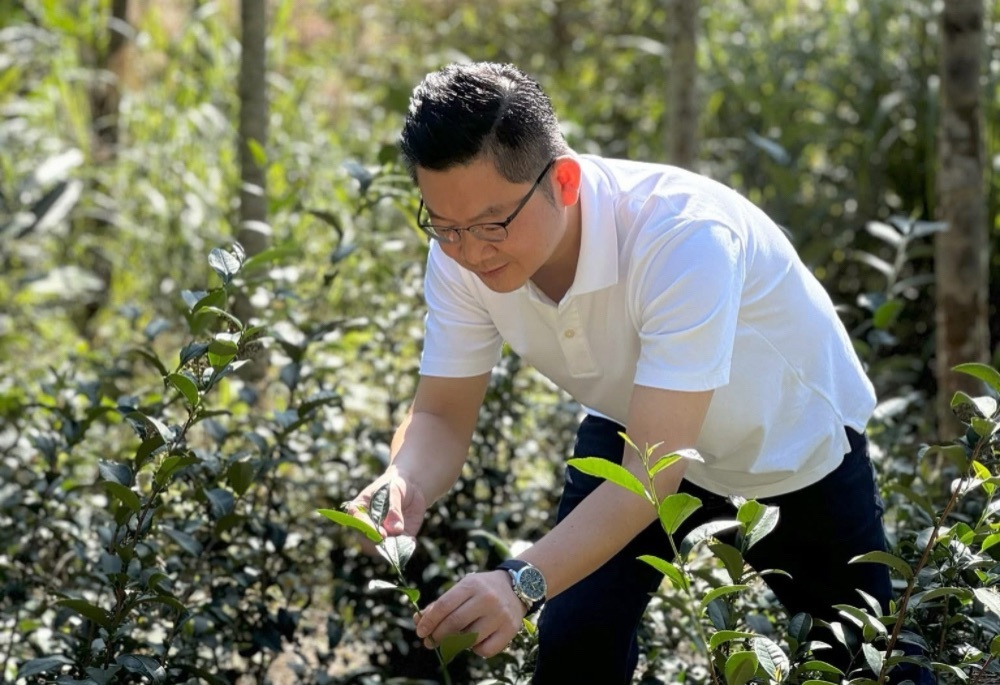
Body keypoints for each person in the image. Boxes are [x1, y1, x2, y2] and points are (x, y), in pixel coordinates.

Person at [347, 61, 914, 684]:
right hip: (638, 426)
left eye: (491, 226)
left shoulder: (682, 236)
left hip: (789, 449)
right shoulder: (460, 252)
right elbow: (439, 416)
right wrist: (405, 481)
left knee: (865, 665)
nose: (470, 253)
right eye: (445, 226)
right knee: (574, 640)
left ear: (562, 180)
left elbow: (657, 468)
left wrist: (519, 580)